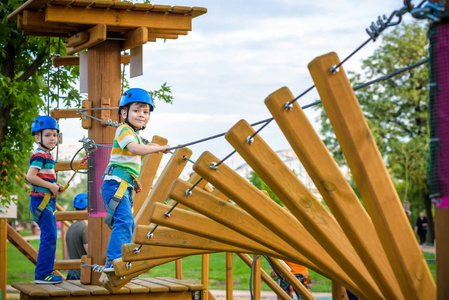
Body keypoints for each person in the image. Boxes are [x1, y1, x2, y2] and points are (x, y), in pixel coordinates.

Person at [102, 88, 170, 272]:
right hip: (115, 185)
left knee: (128, 222)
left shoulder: (135, 134)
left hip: (123, 184)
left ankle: (120, 258)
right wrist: (158, 148)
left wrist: (134, 181)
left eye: (145, 111)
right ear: (124, 113)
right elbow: (135, 149)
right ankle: (114, 260)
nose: (141, 115)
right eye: (136, 110)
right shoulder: (124, 130)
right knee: (124, 220)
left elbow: (131, 159)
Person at [26, 116, 65, 284]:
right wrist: (50, 187)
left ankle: (45, 273)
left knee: (50, 236)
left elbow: (43, 178)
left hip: (47, 200)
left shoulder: (47, 156)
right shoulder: (40, 155)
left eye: (55, 135)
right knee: (49, 236)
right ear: (37, 137)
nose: (52, 139)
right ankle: (42, 274)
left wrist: (55, 185)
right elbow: (30, 177)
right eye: (48, 135)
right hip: (40, 200)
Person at [66, 193, 88, 280]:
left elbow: (67, 256)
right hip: (81, 277)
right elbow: (91, 253)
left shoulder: (70, 227)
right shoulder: (85, 228)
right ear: (87, 208)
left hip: (71, 275)